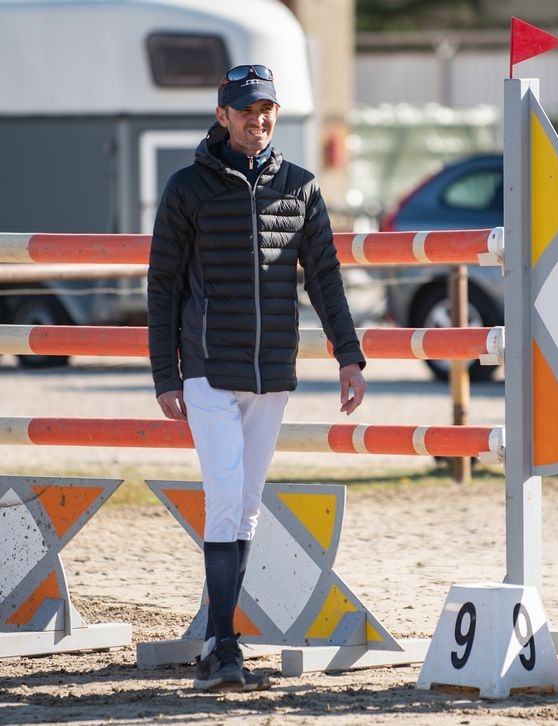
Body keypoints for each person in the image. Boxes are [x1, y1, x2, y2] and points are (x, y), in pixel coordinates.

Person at [147, 64, 366, 693]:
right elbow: (162, 286)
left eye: (266, 108)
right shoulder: (186, 189)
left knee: (245, 508)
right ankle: (223, 645)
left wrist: (349, 356)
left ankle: (218, 640)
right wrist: (166, 375)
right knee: (223, 498)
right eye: (246, 110)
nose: (257, 119)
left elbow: (324, 277)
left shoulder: (301, 187)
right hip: (208, 372)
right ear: (222, 116)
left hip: (272, 374)